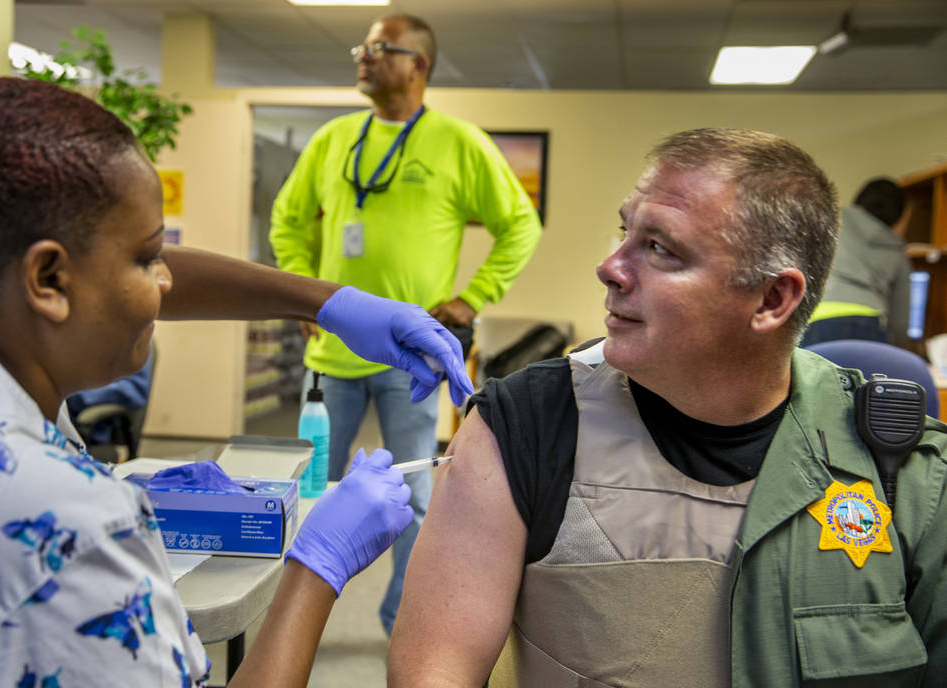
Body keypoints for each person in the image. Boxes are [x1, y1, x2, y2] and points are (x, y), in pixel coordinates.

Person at [0, 76, 473, 687]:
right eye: (148, 259)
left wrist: (327, 302)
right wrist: (317, 569)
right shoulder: (74, 529)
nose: (166, 285)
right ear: (47, 278)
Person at [389, 129, 947, 687]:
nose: (610, 267)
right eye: (625, 230)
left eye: (660, 248)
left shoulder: (904, 468)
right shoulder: (525, 424)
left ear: (772, 299)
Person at [269, 13, 542, 634]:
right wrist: (304, 293)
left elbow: (520, 226)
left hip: (410, 360)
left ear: (418, 64)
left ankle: (403, 622)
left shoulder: (458, 142)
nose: (363, 56)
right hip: (330, 357)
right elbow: (287, 219)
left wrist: (475, 297)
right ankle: (288, 618)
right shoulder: (335, 137)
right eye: (361, 46)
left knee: (416, 499)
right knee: (306, 495)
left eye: (380, 48)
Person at [802, 177, 913, 347]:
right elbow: (901, 319)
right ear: (899, 215)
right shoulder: (897, 249)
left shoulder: (829, 223)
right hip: (870, 323)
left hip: (817, 317)